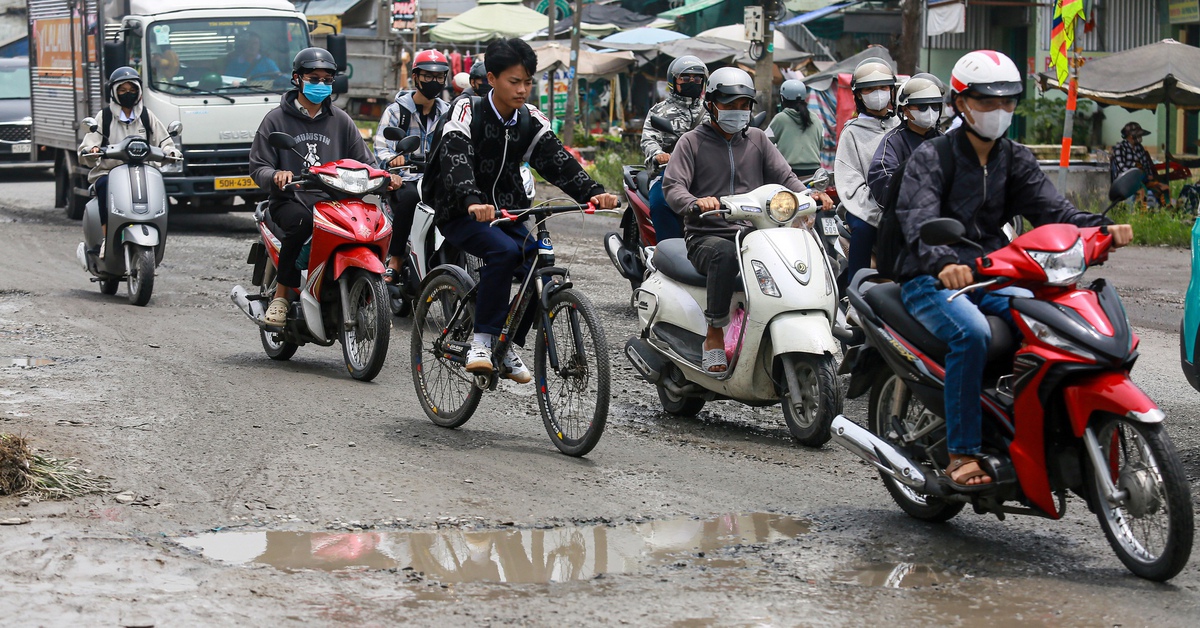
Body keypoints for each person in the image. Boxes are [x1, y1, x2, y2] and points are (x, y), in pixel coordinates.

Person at [892, 50, 1134, 489]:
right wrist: (945, 262)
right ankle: (962, 451)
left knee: (1056, 323)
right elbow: (918, 219)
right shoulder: (932, 157)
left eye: (1007, 102)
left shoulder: (1014, 158)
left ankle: (1023, 419)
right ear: (960, 103)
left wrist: (1101, 227)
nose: (999, 111)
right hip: (930, 277)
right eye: (986, 101)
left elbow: (1053, 211)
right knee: (972, 334)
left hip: (995, 272)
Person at [425, 38, 619, 383]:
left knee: (539, 263)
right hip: (460, 211)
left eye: (528, 81)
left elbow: (556, 160)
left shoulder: (528, 120)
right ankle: (482, 340)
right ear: (493, 78)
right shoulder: (467, 110)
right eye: (515, 81)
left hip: (509, 211)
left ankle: (508, 342)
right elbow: (455, 158)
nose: (523, 89)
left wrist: (594, 192)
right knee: (503, 251)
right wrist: (471, 200)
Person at [663, 67, 833, 374]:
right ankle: (714, 334)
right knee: (724, 254)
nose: (738, 112)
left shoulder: (758, 140)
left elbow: (786, 177)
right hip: (706, 235)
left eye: (744, 105)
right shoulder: (691, 142)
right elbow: (673, 186)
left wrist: (809, 196)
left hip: (757, 233)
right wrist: (694, 203)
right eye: (729, 105)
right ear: (711, 104)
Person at [249, 48, 402, 327]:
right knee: (302, 223)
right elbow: (258, 166)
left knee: (371, 226)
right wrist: (276, 175)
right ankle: (282, 297)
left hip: (336, 202)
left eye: (327, 79)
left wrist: (385, 176)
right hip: (292, 200)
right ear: (297, 78)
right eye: (314, 78)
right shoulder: (275, 120)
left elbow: (365, 161)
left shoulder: (341, 120)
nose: (321, 85)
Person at [80, 66, 180, 259]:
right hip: (110, 172)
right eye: (123, 90)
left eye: (132, 89)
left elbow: (164, 141)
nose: (128, 94)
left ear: (139, 91)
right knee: (103, 186)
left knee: (159, 190)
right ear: (114, 92)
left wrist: (170, 151)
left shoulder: (146, 116)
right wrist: (92, 151)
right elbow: (90, 144)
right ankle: (106, 238)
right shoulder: (105, 116)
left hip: (142, 171)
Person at [374, 49, 451, 283]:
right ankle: (396, 259)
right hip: (405, 179)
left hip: (436, 180)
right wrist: (392, 160)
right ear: (416, 77)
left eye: (439, 77)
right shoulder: (396, 111)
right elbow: (380, 147)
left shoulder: (448, 112)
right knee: (409, 199)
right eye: (428, 76)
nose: (434, 81)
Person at [836, 57, 900, 281]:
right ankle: (857, 289)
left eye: (883, 87)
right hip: (862, 204)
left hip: (900, 201)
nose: (878, 93)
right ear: (859, 95)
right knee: (863, 229)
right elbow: (850, 179)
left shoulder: (901, 126)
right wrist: (876, 206)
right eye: (870, 89)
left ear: (892, 91)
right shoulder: (852, 132)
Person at [641, 55, 709, 242]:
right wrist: (659, 155)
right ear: (673, 81)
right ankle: (666, 252)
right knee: (661, 203)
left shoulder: (711, 111)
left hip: (706, 171)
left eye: (697, 78)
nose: (692, 82)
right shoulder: (659, 111)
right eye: (685, 78)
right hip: (669, 172)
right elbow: (649, 140)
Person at [867, 73, 946, 205]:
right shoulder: (893, 142)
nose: (930, 111)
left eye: (935, 106)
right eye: (922, 107)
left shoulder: (944, 141)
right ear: (906, 110)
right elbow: (882, 180)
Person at [768, 79, 822, 179]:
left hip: (789, 172)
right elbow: (821, 143)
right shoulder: (815, 118)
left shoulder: (780, 118)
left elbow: (765, 142)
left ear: (782, 98)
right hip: (814, 173)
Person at [1111, 121, 1169, 206]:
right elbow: (1121, 168)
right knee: (1142, 191)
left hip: (1142, 178)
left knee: (1163, 187)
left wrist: (1149, 174)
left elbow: (1146, 164)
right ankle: (1142, 212)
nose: (1140, 137)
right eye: (1138, 135)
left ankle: (1166, 209)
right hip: (1126, 181)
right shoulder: (1119, 148)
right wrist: (1135, 174)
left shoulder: (1139, 147)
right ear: (1130, 136)